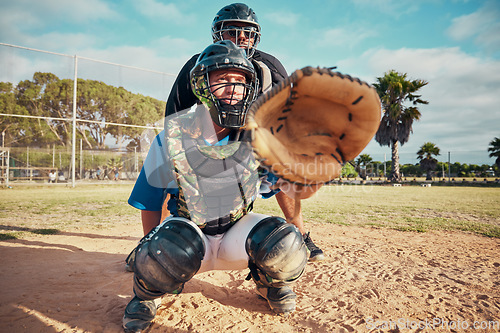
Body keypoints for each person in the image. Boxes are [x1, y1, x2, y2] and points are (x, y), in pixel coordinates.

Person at [122, 41, 320, 333]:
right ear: (201, 84)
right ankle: (147, 295)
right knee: (165, 245)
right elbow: (151, 202)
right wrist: (152, 255)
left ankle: (270, 283)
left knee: (286, 241)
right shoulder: (172, 136)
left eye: (240, 81)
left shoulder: (259, 137)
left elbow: (289, 188)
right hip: (190, 238)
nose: (233, 88)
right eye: (223, 79)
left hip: (234, 238)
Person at [163, 2, 324, 261]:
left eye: (247, 32)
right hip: (210, 139)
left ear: (256, 36)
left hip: (254, 139)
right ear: (218, 34)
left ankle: (301, 235)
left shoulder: (268, 65)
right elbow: (175, 111)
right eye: (233, 31)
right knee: (169, 176)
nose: (241, 38)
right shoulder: (199, 62)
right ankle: (153, 239)